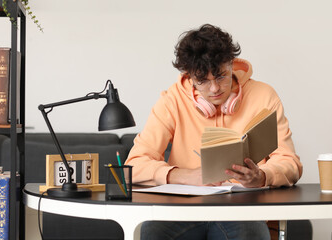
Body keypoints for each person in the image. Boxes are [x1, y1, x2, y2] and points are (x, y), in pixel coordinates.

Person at [125, 24, 302, 240]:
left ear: (231, 65)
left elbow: (290, 162)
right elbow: (133, 165)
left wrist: (262, 176)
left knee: (250, 233)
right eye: (203, 81)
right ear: (190, 77)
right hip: (183, 211)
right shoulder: (172, 100)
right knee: (152, 231)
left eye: (221, 76)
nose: (215, 89)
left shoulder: (264, 95)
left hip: (243, 211)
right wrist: (183, 176)